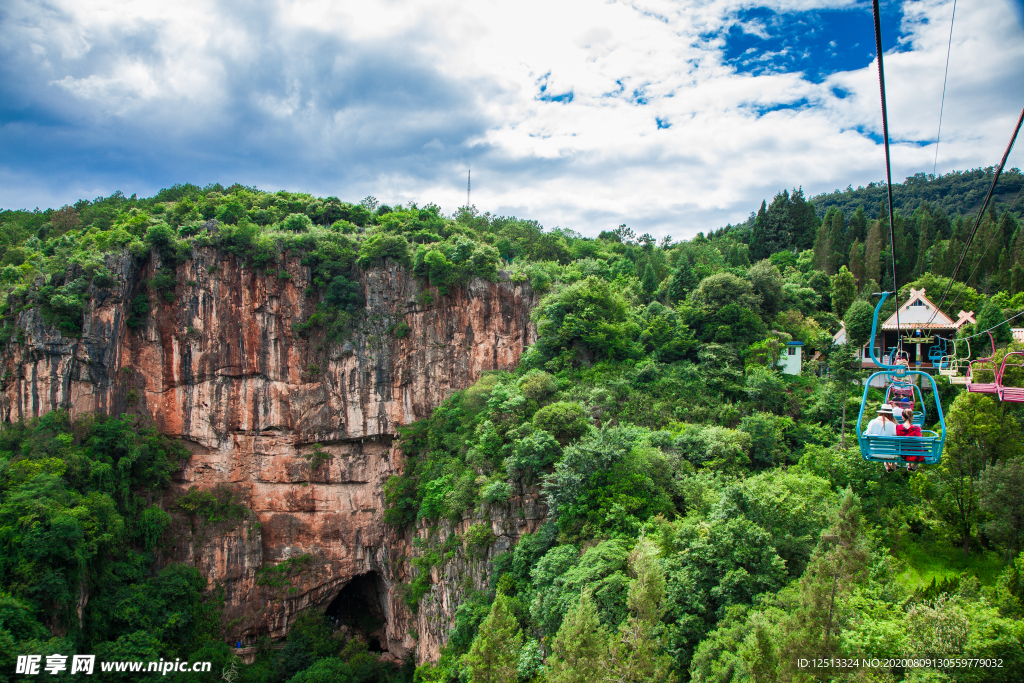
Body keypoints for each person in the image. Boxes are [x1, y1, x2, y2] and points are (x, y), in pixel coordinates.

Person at [865, 404, 899, 472]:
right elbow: (897, 436)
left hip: (874, 451)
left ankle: (886, 463)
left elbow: (867, 434)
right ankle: (891, 463)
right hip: (890, 453)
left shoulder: (872, 422)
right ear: (890, 414)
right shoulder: (892, 425)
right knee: (890, 443)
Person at [897, 407, 924, 472]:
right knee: (917, 446)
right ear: (912, 417)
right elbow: (919, 441)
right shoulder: (917, 428)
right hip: (916, 453)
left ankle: (909, 464)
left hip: (903, 453)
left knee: (906, 446)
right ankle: (913, 466)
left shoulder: (898, 427)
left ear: (903, 417)